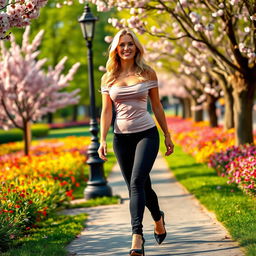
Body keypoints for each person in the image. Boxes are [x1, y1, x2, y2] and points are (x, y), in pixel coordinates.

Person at [98, 29, 174, 256]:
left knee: (135, 184)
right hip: (121, 139)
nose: (126, 48)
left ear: (136, 47)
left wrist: (167, 134)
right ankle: (158, 218)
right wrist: (102, 139)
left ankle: (136, 236)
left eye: (130, 44)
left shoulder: (147, 73)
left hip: (146, 134)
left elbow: (157, 106)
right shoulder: (108, 77)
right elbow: (106, 111)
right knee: (142, 186)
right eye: (122, 45)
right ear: (115, 49)